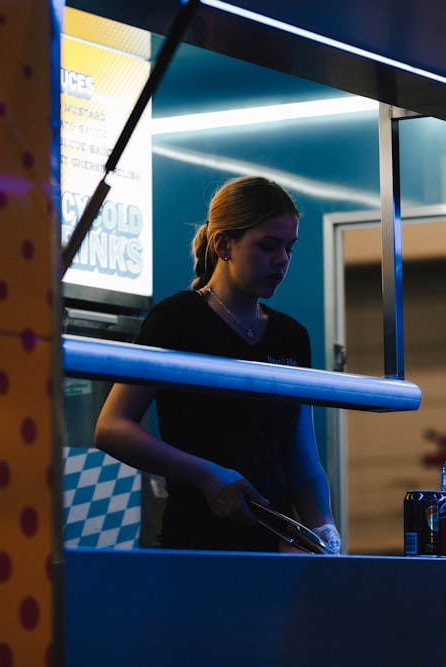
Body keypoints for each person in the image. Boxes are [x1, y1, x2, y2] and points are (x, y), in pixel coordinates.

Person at [94, 175, 341, 553]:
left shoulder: (291, 336)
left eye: (289, 248)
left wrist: (324, 531)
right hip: (196, 547)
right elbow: (112, 427)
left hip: (273, 553)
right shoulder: (176, 320)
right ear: (223, 244)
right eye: (268, 246)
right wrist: (208, 475)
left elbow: (302, 457)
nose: (282, 260)